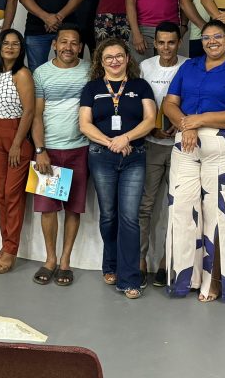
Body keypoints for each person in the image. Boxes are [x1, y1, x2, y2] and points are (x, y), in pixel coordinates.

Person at [162, 20, 225, 303]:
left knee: (221, 219)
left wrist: (199, 120)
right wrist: (185, 124)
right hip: (186, 145)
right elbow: (169, 102)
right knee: (181, 212)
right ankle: (184, 280)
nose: (212, 41)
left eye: (218, 36)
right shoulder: (188, 67)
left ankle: (217, 283)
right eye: (206, 37)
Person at [79, 38, 156, 299]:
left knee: (129, 217)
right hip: (102, 156)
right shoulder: (92, 88)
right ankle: (110, 264)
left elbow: (150, 120)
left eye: (119, 56)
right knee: (109, 215)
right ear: (101, 62)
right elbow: (85, 125)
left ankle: (130, 278)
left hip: (135, 156)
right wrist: (112, 142)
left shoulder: (140, 86)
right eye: (109, 57)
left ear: (127, 58)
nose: (115, 60)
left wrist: (127, 138)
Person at [31, 25, 91, 287]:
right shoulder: (41, 73)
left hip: (80, 149)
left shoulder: (90, 71)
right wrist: (40, 150)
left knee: (73, 208)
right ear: (54, 44)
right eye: (63, 42)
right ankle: (50, 259)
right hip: (50, 152)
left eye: (74, 43)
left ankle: (65, 261)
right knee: (48, 209)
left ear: (80, 47)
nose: (68, 47)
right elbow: (36, 115)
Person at [138, 22, 187, 287]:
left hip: (183, 144)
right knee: (145, 206)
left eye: (171, 42)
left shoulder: (189, 65)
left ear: (179, 42)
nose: (166, 47)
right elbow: (139, 103)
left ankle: (167, 262)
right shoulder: (146, 67)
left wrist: (179, 126)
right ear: (154, 43)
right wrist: (154, 129)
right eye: (161, 42)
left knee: (177, 207)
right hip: (151, 143)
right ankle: (140, 261)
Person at [0, 29, 35, 274]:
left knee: (13, 196)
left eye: (16, 44)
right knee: (0, 195)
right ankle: (5, 244)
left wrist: (17, 142)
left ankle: (11, 250)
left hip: (16, 138)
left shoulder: (22, 74)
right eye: (6, 43)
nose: (10, 47)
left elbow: (29, 111)